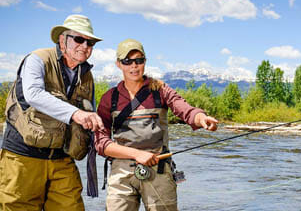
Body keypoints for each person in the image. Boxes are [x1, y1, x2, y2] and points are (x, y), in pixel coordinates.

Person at [95, 39, 218, 211]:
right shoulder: (110, 98)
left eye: (139, 60)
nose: (134, 66)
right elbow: (101, 143)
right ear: (118, 64)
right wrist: (136, 154)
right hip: (121, 173)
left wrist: (200, 117)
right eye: (127, 61)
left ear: (145, 61)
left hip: (159, 169)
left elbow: (183, 108)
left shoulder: (160, 90)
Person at [0, 14, 104, 211]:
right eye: (79, 39)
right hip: (22, 157)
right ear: (62, 40)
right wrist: (77, 114)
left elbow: (90, 113)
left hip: (61, 158)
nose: (85, 46)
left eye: (90, 42)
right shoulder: (37, 59)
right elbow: (33, 94)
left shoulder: (87, 75)